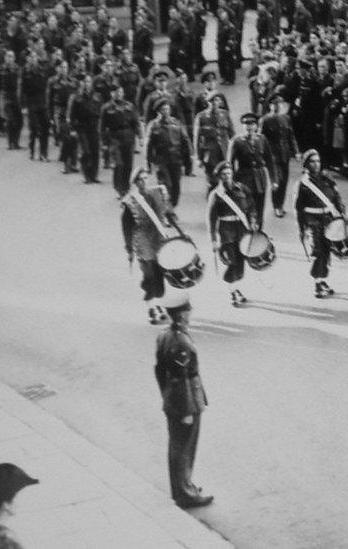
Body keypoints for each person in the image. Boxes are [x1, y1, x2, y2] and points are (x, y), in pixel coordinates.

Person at [154, 291, 213, 509]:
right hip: (184, 404)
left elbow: (159, 371)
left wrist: (166, 395)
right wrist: (186, 410)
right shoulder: (179, 341)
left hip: (173, 401)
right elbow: (182, 379)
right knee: (183, 449)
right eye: (187, 310)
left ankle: (184, 487)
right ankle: (185, 494)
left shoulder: (165, 335)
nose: (190, 313)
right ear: (181, 315)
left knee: (179, 447)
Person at [121, 168, 177, 324]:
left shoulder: (157, 193)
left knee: (160, 275)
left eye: (145, 178)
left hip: (159, 240)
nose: (143, 182)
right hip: (143, 241)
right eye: (140, 180)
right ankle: (152, 308)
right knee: (149, 276)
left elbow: (169, 214)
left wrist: (180, 231)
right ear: (135, 182)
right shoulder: (130, 201)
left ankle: (158, 304)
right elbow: (126, 228)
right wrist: (129, 249)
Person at [294, 149, 346, 298]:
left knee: (327, 251)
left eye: (318, 161)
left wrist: (342, 214)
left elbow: (336, 198)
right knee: (317, 252)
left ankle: (322, 279)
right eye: (312, 162)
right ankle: (317, 283)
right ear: (306, 164)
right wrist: (301, 228)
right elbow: (298, 208)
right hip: (312, 222)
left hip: (327, 220)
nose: (316, 164)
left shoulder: (327, 180)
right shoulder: (303, 184)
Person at [207, 162, 257, 307]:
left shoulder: (242, 188)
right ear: (218, 177)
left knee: (241, 262)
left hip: (242, 230)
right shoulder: (215, 195)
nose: (227, 177)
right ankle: (233, 291)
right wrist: (213, 240)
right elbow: (211, 219)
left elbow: (252, 206)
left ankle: (236, 288)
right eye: (223, 174)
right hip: (227, 233)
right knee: (232, 261)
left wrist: (253, 221)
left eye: (229, 173)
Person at [228, 113, 274, 223]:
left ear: (256, 126)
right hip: (244, 178)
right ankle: (246, 233)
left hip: (260, 178)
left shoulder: (262, 139)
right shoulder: (236, 141)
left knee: (260, 207)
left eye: (252, 124)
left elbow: (269, 161)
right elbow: (230, 164)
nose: (249, 127)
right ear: (243, 126)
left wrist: (274, 180)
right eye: (246, 125)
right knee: (246, 206)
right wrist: (232, 182)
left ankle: (259, 233)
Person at [145, 98, 191, 206]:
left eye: (167, 109)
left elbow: (185, 141)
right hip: (161, 160)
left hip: (176, 159)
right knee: (165, 185)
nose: (166, 112)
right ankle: (166, 211)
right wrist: (148, 164)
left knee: (176, 186)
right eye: (163, 110)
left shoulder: (176, 123)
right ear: (158, 111)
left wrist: (188, 160)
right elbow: (148, 146)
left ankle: (172, 207)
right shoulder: (153, 125)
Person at [260, 92, 299, 218]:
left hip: (285, 153)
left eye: (280, 103)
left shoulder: (286, 118)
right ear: (270, 105)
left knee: (285, 181)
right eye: (275, 104)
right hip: (272, 155)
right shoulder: (265, 120)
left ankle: (280, 204)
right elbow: (261, 139)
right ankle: (276, 206)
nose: (277, 106)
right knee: (277, 180)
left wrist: (296, 151)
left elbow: (291, 136)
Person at [100, 84, 142, 197]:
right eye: (116, 92)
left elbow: (136, 122)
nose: (119, 95)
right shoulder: (107, 108)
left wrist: (140, 136)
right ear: (112, 94)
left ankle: (125, 187)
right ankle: (118, 188)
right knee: (118, 164)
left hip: (129, 137)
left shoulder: (129, 106)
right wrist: (104, 143)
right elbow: (102, 127)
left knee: (128, 164)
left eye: (121, 92)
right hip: (114, 137)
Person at [192, 94, 234, 193]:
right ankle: (212, 197)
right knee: (212, 177)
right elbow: (196, 138)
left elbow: (232, 133)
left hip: (224, 150)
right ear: (208, 103)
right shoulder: (201, 116)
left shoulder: (225, 114)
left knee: (225, 174)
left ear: (220, 102)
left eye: (217, 101)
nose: (215, 103)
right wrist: (197, 157)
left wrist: (234, 152)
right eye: (212, 101)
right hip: (210, 153)